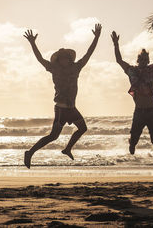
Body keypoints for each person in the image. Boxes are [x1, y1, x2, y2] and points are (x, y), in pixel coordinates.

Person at [23, 24, 102, 169]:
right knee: (53, 136)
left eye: (66, 58)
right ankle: (30, 152)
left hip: (71, 107)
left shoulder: (76, 67)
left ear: (69, 59)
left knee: (83, 128)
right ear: (58, 60)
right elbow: (40, 59)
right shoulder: (54, 68)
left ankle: (67, 149)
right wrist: (33, 43)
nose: (65, 60)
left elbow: (88, 54)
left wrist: (96, 37)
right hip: (61, 108)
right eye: (62, 58)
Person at [111, 31, 153, 161]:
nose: (143, 61)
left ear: (148, 61)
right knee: (134, 140)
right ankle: (131, 143)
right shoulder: (132, 71)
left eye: (145, 59)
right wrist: (116, 44)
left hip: (152, 111)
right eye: (141, 59)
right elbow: (119, 60)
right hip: (139, 111)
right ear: (138, 60)